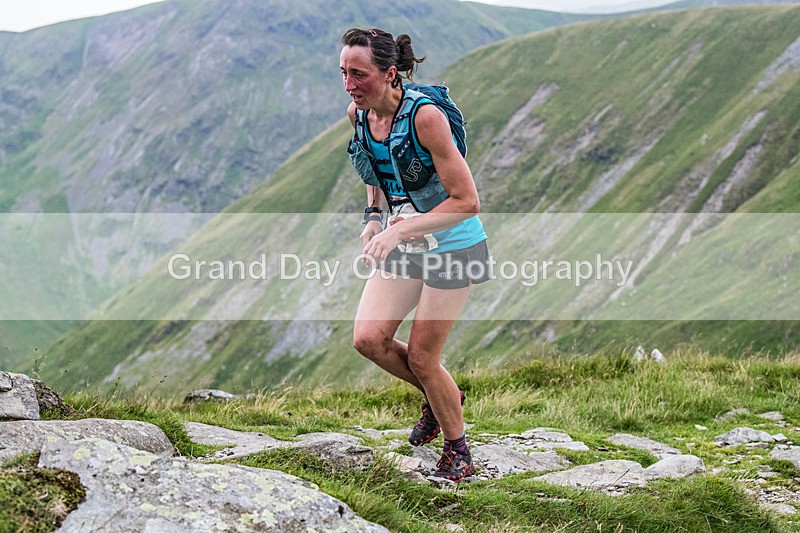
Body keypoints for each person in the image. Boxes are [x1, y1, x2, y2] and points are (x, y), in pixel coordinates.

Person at [340, 27, 491, 482]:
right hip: (406, 240)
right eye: (344, 72)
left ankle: (458, 451)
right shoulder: (359, 114)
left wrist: (400, 230)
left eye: (359, 74)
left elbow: (467, 201)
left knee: (426, 358)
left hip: (455, 246)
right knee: (368, 339)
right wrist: (373, 217)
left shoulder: (425, 118)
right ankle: (442, 393)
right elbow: (373, 165)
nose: (349, 84)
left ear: (389, 74)